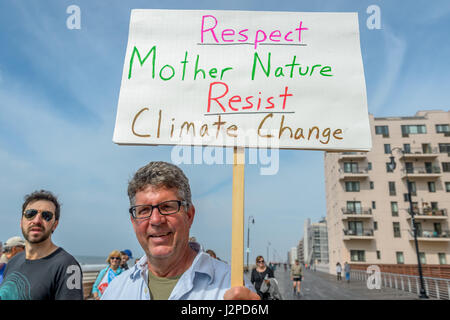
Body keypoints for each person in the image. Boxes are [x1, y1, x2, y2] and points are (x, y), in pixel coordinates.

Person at [101, 161, 258, 300]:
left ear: (189, 215)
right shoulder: (116, 290)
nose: (156, 220)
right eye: (144, 210)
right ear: (133, 222)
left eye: (167, 207)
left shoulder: (232, 287)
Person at [0, 190, 83, 300]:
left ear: (55, 225)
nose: (37, 220)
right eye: (30, 214)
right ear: (21, 222)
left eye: (46, 216)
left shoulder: (67, 266)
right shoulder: (13, 262)